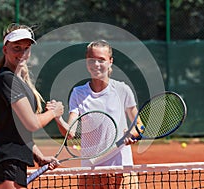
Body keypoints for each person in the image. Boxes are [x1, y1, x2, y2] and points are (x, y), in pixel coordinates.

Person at [53, 39, 143, 188]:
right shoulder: (78, 93)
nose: (96, 64)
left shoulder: (122, 89)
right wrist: (57, 117)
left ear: (110, 62)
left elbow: (139, 124)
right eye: (91, 60)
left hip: (122, 168)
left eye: (101, 60)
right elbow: (70, 133)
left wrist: (132, 134)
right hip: (91, 171)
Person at [0, 23, 63, 189]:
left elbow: (20, 131)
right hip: (6, 161)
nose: (22, 53)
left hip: (16, 161)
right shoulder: (6, 79)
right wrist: (54, 112)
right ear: (5, 50)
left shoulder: (19, 82)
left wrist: (39, 157)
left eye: (26, 48)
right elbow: (32, 123)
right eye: (16, 48)